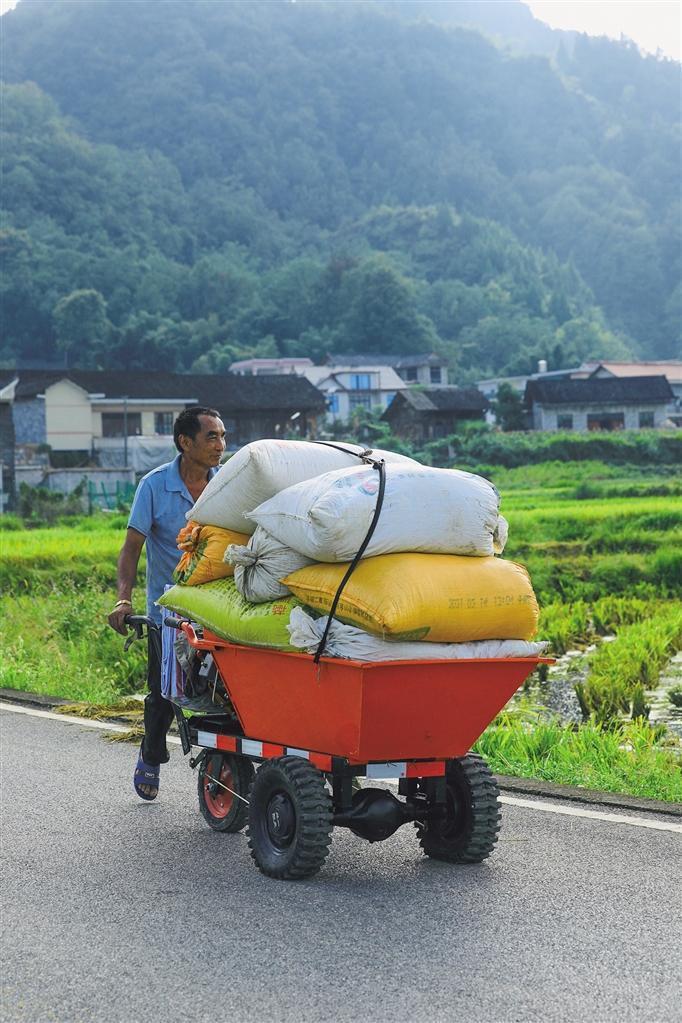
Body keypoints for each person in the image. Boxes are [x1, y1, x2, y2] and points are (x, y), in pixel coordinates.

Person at [107, 406, 226, 800]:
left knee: (226, 692)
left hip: (219, 609)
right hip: (168, 612)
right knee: (163, 692)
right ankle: (152, 753)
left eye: (223, 436)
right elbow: (131, 549)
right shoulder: (154, 485)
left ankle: (226, 763)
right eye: (212, 437)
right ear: (185, 442)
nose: (220, 445)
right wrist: (123, 599)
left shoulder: (227, 485)